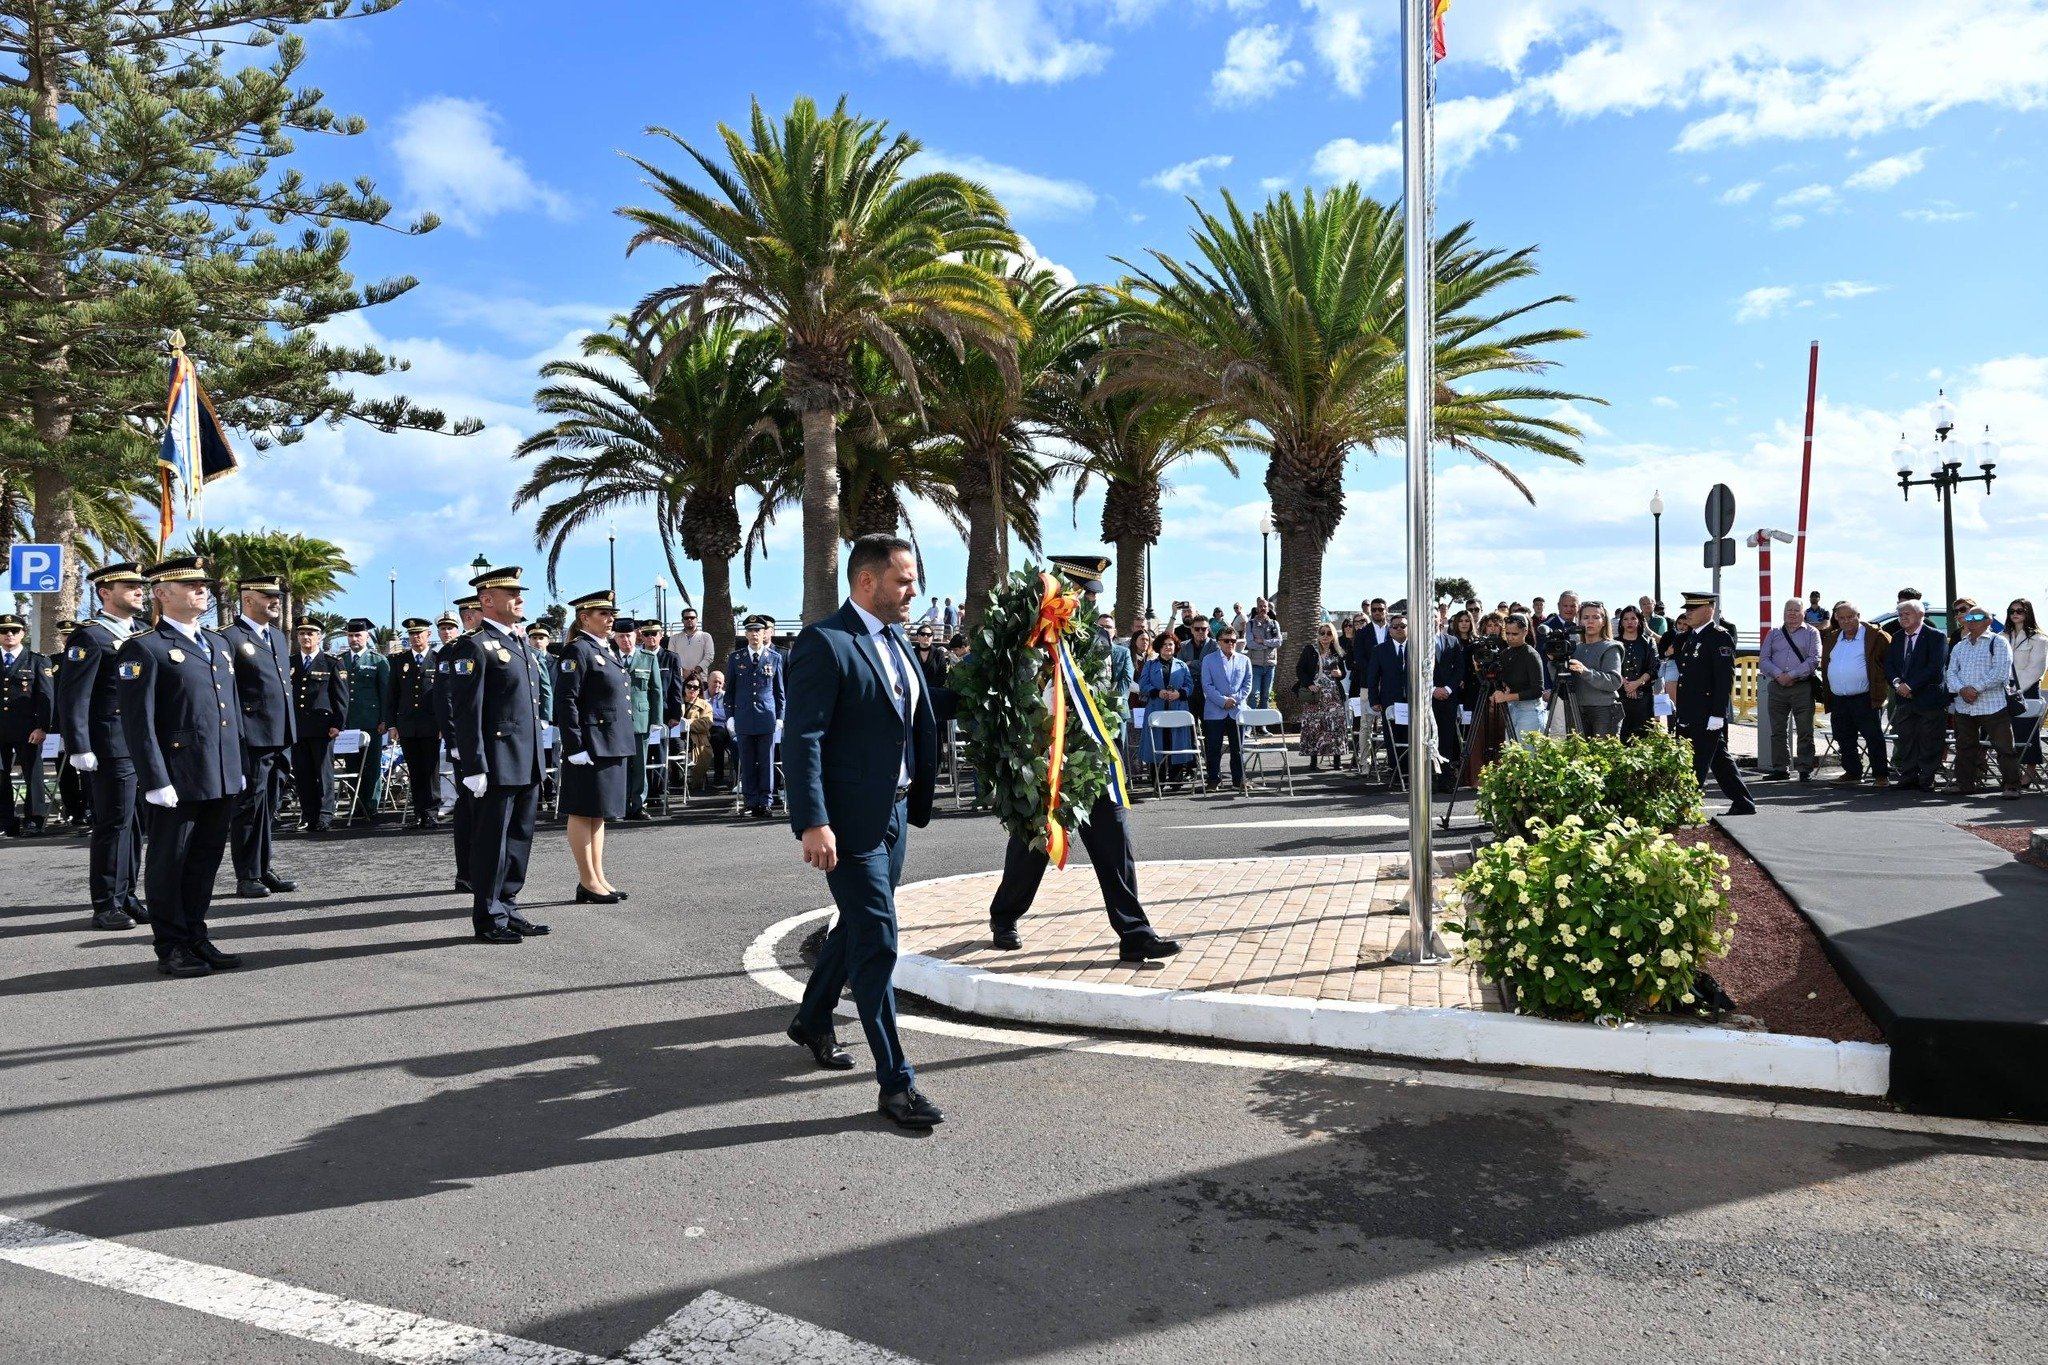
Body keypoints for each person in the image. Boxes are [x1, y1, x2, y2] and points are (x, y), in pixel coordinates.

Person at [784, 534, 943, 1129]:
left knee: (857, 925)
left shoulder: (896, 640)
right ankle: (897, 1084)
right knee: (877, 942)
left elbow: (913, 712)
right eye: (904, 580)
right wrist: (813, 821)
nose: (913, 590)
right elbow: (802, 739)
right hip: (847, 823)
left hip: (894, 813)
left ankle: (812, 1018)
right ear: (867, 580)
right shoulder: (825, 643)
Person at [986, 556, 1181, 962]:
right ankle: (1005, 915)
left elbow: (1102, 697)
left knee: (1115, 843)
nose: (1088, 604)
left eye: (1092, 598)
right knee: (1033, 845)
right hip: (1044, 755)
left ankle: (1135, 933)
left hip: (1089, 756)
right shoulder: (1028, 636)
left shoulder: (1096, 640)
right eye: (1082, 595)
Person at [116, 556, 246, 978]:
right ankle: (171, 945)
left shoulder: (218, 643)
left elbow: (228, 711)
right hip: (177, 775)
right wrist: (155, 779)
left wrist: (237, 764)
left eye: (203, 584)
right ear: (162, 593)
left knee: (204, 861)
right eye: (191, 585)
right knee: (169, 863)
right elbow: (138, 722)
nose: (202, 590)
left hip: (218, 771)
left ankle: (195, 935)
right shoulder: (145, 647)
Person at [443, 566, 550, 944]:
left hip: (526, 759)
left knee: (519, 839)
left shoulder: (520, 643)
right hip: (497, 761)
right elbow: (466, 710)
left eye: (520, 593)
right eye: (512, 594)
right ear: (487, 600)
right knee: (492, 842)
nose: (520, 599)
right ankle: (488, 917)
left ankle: (509, 907)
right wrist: (474, 766)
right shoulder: (474, 646)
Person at [56, 563, 151, 930]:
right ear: (105, 592)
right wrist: (79, 745)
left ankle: (128, 896)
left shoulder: (142, 632)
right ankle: (106, 903)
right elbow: (73, 696)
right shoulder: (91, 637)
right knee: (113, 824)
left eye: (140, 586)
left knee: (136, 825)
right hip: (110, 744)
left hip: (141, 744)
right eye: (129, 586)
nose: (139, 591)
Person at [219, 577, 298, 896]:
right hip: (252, 737)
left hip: (280, 735)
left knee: (269, 806)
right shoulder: (229, 637)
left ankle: (263, 868)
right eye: (268, 596)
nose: (276, 601)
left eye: (277, 596)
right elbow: (229, 693)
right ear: (248, 599)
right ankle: (247, 875)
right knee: (249, 807)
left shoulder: (276, 636)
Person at [553, 591, 633, 901]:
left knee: (597, 813)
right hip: (591, 744)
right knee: (582, 811)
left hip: (608, 741)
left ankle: (597, 877)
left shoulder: (603, 649)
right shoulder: (578, 650)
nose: (610, 619)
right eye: (603, 614)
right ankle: (587, 881)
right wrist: (574, 746)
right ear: (584, 618)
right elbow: (566, 700)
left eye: (612, 613)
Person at [1672, 590, 1756, 816]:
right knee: (1719, 760)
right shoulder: (1691, 637)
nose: (1688, 613)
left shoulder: (1719, 636)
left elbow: (1723, 679)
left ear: (1710, 610)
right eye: (1687, 609)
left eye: (1693, 609)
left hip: (1707, 712)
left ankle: (1683, 809)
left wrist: (1718, 714)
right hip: (1690, 711)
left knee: (1697, 763)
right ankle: (1743, 803)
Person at [1945, 600, 2021, 799]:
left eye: (1977, 617)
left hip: (1993, 705)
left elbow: (2000, 672)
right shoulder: (1960, 646)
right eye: (1969, 617)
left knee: (2004, 747)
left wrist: (1974, 689)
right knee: (1964, 747)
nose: (1971, 620)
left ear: (1989, 621)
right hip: (1964, 706)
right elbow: (1950, 672)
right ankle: (1964, 785)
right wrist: (1962, 689)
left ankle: (2012, 786)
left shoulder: (1999, 642)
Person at [1819, 600, 1892, 789]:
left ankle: (1880, 775)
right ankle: (1852, 772)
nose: (1846, 621)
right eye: (1842, 618)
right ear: (1836, 619)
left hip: (1865, 697)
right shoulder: (1833, 637)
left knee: (1873, 737)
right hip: (1839, 698)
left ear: (1858, 616)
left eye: (1850, 617)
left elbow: (1889, 662)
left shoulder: (1875, 636)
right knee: (1843, 737)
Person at [381, 617, 443, 828]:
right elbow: (392, 695)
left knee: (431, 770)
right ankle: (419, 812)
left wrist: (443, 724)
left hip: (431, 724)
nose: (415, 637)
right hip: (407, 724)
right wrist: (391, 724)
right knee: (414, 771)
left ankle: (431, 812)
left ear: (428, 635)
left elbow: (444, 695)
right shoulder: (399, 660)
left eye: (419, 633)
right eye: (412, 634)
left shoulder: (438, 659)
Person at [1885, 599, 1950, 792]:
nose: (1903, 618)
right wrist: (1897, 683)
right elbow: (1889, 664)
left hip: (1929, 697)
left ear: (1921, 615)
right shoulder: (1897, 637)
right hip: (1904, 698)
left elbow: (1935, 667)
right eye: (1900, 615)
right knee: (1907, 739)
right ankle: (1908, 776)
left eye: (1907, 614)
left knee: (1929, 740)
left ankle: (1927, 778)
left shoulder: (1936, 636)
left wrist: (1911, 685)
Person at [288, 618, 347, 831]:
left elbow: (341, 697)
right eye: (302, 633)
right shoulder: (290, 662)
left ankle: (324, 816)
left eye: (310, 633)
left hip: (323, 728)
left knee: (324, 775)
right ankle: (308, 815)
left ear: (319, 637)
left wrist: (338, 724)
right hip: (298, 728)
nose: (305, 637)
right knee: (303, 775)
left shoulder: (331, 663)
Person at [0, 611, 54, 839]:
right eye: (4, 631)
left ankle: (34, 819)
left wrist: (42, 727)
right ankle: (6, 821)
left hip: (28, 729)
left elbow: (46, 697)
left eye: (14, 630)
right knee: (0, 775)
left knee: (32, 774)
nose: (9, 634)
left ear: (23, 633)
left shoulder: (37, 661)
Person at [726, 614, 784, 818]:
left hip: (766, 717)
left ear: (764, 632)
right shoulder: (736, 658)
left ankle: (765, 802)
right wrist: (730, 716)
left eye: (757, 630)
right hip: (743, 717)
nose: (754, 634)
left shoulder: (774, 658)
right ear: (746, 634)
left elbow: (779, 692)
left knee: (766, 762)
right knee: (748, 761)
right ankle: (751, 802)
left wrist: (780, 717)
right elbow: (729, 691)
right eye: (750, 631)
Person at [1757, 600, 1821, 781]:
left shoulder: (1812, 633)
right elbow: (1764, 659)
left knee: (1805, 730)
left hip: (1802, 686)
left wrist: (1791, 675)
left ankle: (1804, 769)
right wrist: (1779, 675)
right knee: (1777, 730)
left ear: (1803, 613)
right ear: (1784, 612)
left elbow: (1814, 659)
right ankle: (1780, 768)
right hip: (1777, 686)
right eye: (1789, 610)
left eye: (1796, 610)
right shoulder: (1774, 633)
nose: (1792, 613)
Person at [336, 619, 390, 819]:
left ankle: (371, 804)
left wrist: (384, 719)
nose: (354, 639)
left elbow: (385, 692)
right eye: (350, 635)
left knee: (371, 766)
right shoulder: (340, 660)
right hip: (348, 722)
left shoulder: (378, 661)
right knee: (352, 765)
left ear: (366, 636)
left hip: (371, 721)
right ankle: (356, 805)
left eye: (358, 635)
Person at [619, 618, 664, 821]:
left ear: (635, 636)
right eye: (621, 636)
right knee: (620, 766)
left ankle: (638, 805)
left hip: (640, 719)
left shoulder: (648, 658)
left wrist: (657, 720)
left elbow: (656, 691)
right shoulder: (609, 657)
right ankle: (620, 805)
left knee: (639, 766)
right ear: (615, 638)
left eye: (628, 636)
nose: (625, 640)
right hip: (617, 721)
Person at [1199, 625, 1251, 793]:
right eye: (1227, 640)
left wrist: (1235, 699)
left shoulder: (1244, 660)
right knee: (1213, 748)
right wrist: (1222, 701)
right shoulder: (1208, 660)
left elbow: (1247, 684)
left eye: (1233, 641)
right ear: (1219, 642)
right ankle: (1213, 780)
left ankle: (1238, 780)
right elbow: (1207, 685)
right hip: (1215, 711)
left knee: (1238, 749)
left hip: (1237, 710)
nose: (1230, 644)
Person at [1138, 632, 1195, 784]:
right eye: (1164, 644)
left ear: (1175, 646)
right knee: (1157, 743)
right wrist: (1157, 692)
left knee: (1176, 743)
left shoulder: (1182, 665)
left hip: (1177, 709)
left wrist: (1179, 693)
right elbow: (1143, 685)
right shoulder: (1149, 665)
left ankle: (1176, 781)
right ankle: (1158, 781)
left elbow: (1190, 685)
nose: (1167, 647)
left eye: (1170, 644)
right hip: (1156, 710)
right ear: (1159, 647)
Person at [1563, 600, 1623, 737]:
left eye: (1596, 617)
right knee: (1577, 751)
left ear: (1604, 622)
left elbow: (1614, 682)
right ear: (1579, 621)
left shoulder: (1611, 647)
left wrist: (1585, 672)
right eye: (1585, 617)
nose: (1590, 621)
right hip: (1577, 708)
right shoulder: (1575, 649)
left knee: (1602, 751)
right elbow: (1562, 681)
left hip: (1603, 711)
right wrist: (1553, 661)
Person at [1295, 622, 1350, 770]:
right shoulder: (1310, 650)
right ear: (1318, 635)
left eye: (1329, 633)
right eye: (1322, 633)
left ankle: (1337, 760)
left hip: (1333, 694)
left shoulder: (1337, 652)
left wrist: (1339, 673)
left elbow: (1343, 673)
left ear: (1333, 636)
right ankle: (1313, 760)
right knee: (1314, 725)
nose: (1325, 636)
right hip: (1315, 694)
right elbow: (1300, 670)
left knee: (1335, 726)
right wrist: (1309, 684)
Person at [1367, 612, 1415, 778]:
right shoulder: (1379, 650)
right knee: (1392, 736)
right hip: (1390, 701)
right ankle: (1395, 771)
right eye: (1395, 627)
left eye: (1403, 626)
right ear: (1390, 630)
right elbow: (1373, 677)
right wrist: (1374, 700)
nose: (1399, 629)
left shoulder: (1417, 648)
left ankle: (1410, 772)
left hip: (1412, 700)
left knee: (1410, 736)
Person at [1489, 614, 1548, 742]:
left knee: (1527, 752)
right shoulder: (1505, 653)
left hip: (1530, 711)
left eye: (1514, 634)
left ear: (1525, 632)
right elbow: (1493, 679)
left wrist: (1506, 697)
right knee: (1511, 751)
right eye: (1507, 633)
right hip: (1512, 709)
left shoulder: (1531, 655)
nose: (1510, 637)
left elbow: (1538, 690)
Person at [2007, 598, 2044, 787]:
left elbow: (2036, 669)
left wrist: (2015, 688)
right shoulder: (2002, 636)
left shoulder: (2039, 639)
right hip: (2002, 689)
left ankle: (2030, 771)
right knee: (2002, 732)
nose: (2015, 614)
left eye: (2020, 611)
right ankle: (2009, 771)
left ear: (2028, 613)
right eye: (2012, 611)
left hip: (2026, 690)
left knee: (2027, 730)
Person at [1615, 605, 1660, 742]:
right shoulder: (1614, 643)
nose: (1629, 622)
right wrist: (1625, 684)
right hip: (1619, 695)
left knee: (1643, 736)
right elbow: (1610, 667)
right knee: (1619, 735)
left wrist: (1637, 683)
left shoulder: (1649, 642)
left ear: (1639, 621)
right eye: (1626, 619)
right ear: (1621, 622)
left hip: (1643, 696)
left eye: (1633, 618)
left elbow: (1654, 667)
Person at [676, 670, 716, 789]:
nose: (692, 689)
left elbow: (706, 723)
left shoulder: (705, 705)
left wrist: (686, 723)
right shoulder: (676, 703)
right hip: (677, 738)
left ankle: (692, 783)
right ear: (684, 687)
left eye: (695, 687)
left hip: (697, 740)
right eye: (689, 686)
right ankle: (677, 781)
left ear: (699, 690)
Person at [1245, 601, 1282, 709]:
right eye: (1260, 606)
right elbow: (1250, 644)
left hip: (1270, 666)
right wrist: (1269, 645)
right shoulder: (1250, 624)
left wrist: (1263, 641)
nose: (1263, 608)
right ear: (1257, 608)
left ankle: (1263, 720)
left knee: (1266, 696)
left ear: (1268, 609)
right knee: (1253, 695)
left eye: (1265, 606)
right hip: (1255, 666)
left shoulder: (1274, 623)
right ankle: (1251, 719)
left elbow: (1279, 642)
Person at [703, 669, 735, 790]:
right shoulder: (701, 695)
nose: (717, 685)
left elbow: (727, 714)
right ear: (708, 681)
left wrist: (709, 711)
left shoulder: (726, 696)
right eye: (715, 681)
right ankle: (698, 777)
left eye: (720, 683)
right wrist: (715, 713)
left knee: (717, 739)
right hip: (703, 728)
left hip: (721, 728)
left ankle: (718, 776)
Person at [668, 608, 716, 681]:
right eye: (686, 618)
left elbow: (709, 657)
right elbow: (671, 658)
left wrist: (695, 671)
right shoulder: (674, 638)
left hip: (701, 680)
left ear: (697, 619)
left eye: (692, 617)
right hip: (680, 680)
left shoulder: (706, 636)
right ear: (682, 620)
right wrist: (683, 672)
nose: (689, 620)